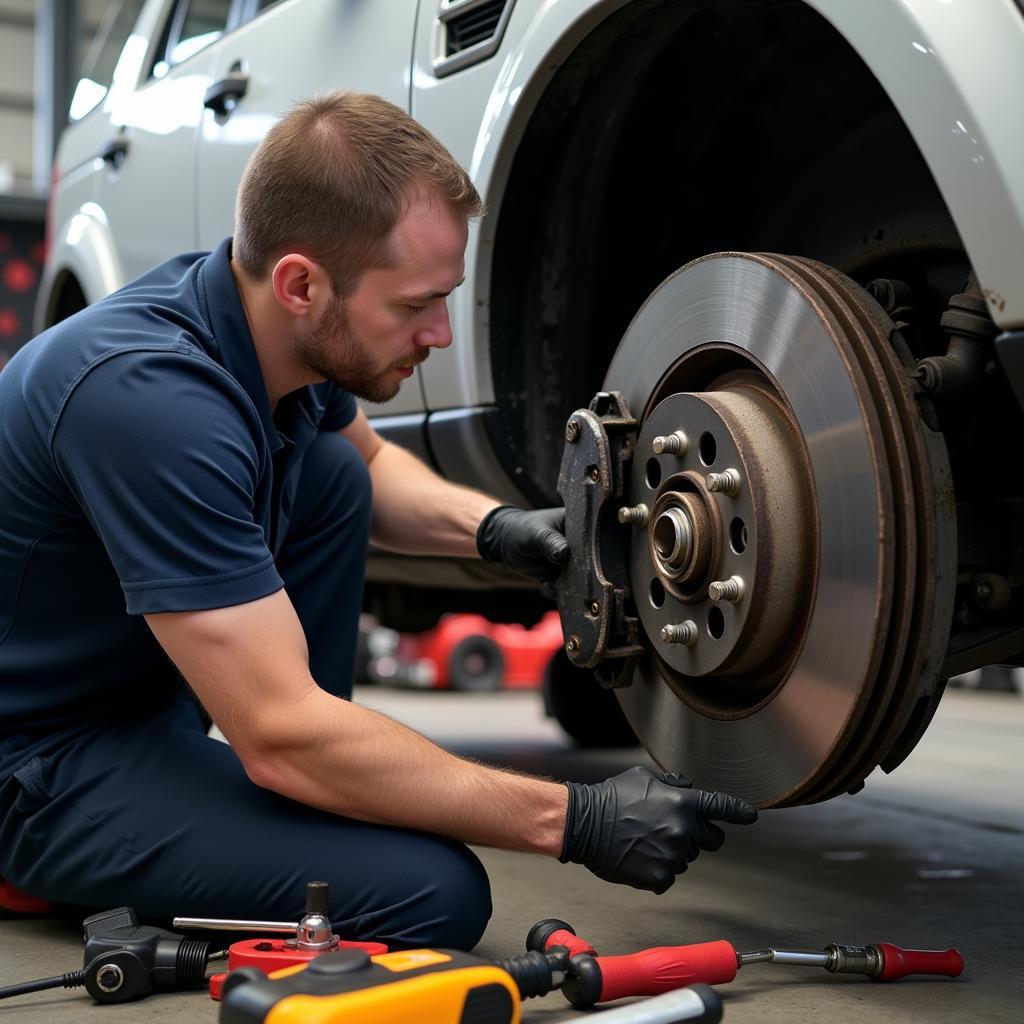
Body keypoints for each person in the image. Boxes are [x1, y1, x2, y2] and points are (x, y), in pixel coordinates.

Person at [0, 92, 755, 949]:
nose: (437, 332)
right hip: (35, 762)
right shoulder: (150, 401)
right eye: (412, 306)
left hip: (138, 712)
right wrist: (573, 818)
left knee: (325, 471)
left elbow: (367, 465)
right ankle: (67, 850)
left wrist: (501, 530)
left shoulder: (264, 326)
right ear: (302, 283)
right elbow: (277, 731)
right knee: (432, 893)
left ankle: (314, 779)